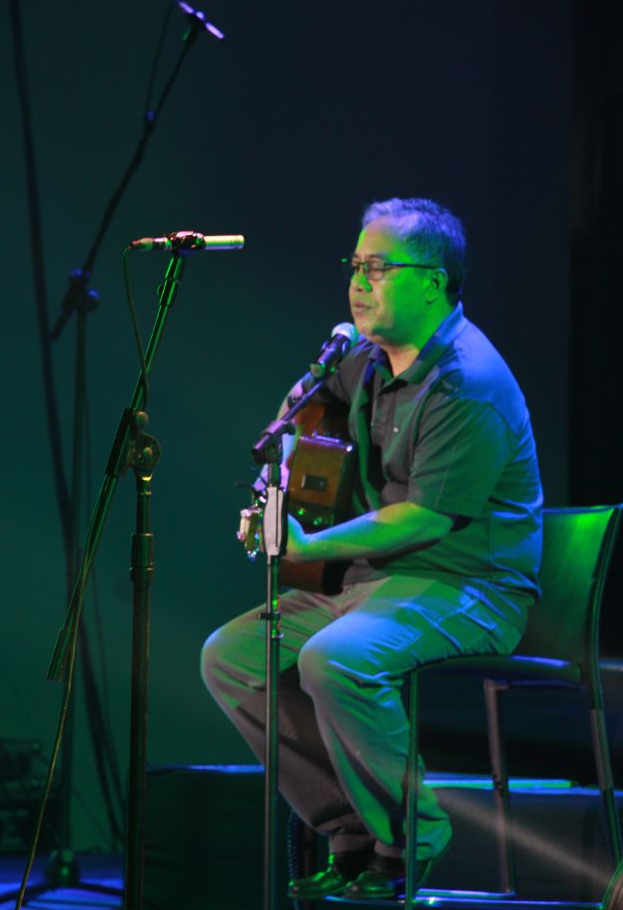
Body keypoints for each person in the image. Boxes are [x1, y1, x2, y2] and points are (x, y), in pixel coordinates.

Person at [201, 197, 543, 900]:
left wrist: (310, 542)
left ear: (435, 280)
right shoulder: (367, 360)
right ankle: (352, 826)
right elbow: (306, 432)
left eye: (379, 267)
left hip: (468, 585)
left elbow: (422, 520)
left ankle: (412, 836)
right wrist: (274, 504)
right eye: (355, 265)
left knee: (336, 659)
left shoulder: (467, 382)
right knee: (233, 657)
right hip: (378, 583)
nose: (358, 281)